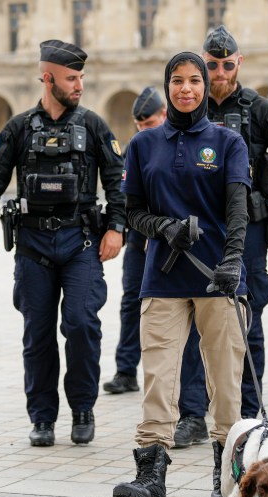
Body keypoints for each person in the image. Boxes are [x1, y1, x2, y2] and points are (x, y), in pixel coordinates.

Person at [112, 52, 249, 497]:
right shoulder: (143, 145)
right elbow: (130, 212)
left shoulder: (228, 141)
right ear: (166, 86)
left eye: (195, 80)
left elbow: (237, 211)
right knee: (158, 378)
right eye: (177, 80)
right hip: (164, 276)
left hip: (218, 278)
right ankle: (152, 479)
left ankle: (225, 474)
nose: (186, 88)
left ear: (205, 86)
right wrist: (161, 227)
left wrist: (232, 261)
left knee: (225, 382)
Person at [0, 40, 126, 447]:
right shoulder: (20, 127)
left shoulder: (93, 126)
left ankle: (82, 409)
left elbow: (118, 180)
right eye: (71, 78)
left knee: (80, 325)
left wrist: (117, 227)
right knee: (37, 334)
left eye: (80, 78)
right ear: (47, 78)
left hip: (81, 243)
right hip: (33, 247)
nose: (79, 85)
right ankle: (42, 418)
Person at [202, 25, 268, 423]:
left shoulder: (260, 110)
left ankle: (250, 411)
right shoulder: (190, 109)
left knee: (247, 318)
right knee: (197, 320)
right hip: (199, 230)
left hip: (248, 228)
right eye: (212, 64)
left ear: (238, 63)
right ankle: (196, 413)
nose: (220, 72)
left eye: (227, 64)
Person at [103, 86, 166, 395]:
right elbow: (124, 194)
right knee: (131, 303)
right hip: (139, 239)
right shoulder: (134, 149)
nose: (142, 131)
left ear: (164, 115)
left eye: (149, 124)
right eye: (139, 126)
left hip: (171, 238)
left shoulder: (179, 144)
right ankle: (126, 370)